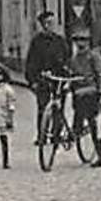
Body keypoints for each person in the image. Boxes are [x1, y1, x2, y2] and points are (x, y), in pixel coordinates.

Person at [24, 10, 70, 146]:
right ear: (42, 25)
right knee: (42, 107)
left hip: (58, 78)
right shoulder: (37, 42)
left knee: (59, 107)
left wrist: (67, 77)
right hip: (42, 79)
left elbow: (67, 60)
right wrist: (32, 80)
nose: (50, 25)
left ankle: (56, 135)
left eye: (52, 23)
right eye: (47, 23)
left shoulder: (60, 41)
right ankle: (42, 135)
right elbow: (31, 62)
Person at [67, 23, 101, 167]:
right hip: (78, 95)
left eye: (83, 40)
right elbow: (71, 75)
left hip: (92, 93)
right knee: (78, 117)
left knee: (94, 124)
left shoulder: (94, 56)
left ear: (88, 42)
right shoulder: (74, 59)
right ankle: (74, 133)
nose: (81, 43)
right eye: (78, 40)